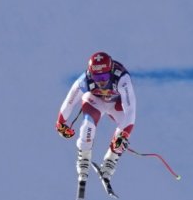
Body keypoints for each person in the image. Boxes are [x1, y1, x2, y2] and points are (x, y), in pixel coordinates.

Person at [56, 51, 136, 183]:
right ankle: (84, 159)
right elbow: (70, 101)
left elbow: (131, 110)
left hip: (116, 104)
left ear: (110, 71)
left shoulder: (121, 78)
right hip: (95, 101)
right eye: (97, 78)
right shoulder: (85, 79)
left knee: (124, 128)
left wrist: (124, 135)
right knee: (88, 125)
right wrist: (61, 122)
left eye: (104, 77)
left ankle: (110, 162)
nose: (101, 82)